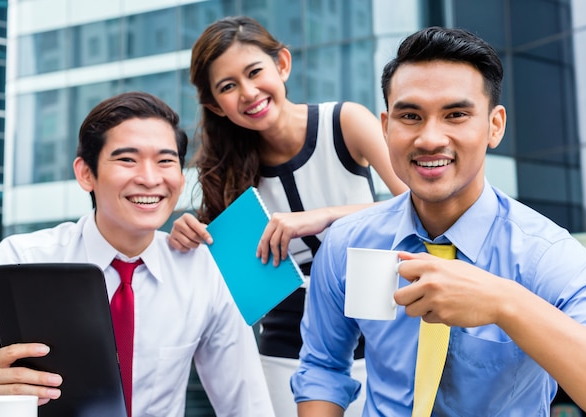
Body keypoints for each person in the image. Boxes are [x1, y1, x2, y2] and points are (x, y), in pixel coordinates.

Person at [291, 25, 586, 416]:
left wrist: (505, 304)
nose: (430, 138)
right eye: (411, 116)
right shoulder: (349, 242)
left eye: (456, 115)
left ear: (494, 126)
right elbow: (323, 367)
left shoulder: (546, 254)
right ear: (386, 127)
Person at [0, 91, 275, 417]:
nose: (150, 178)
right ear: (86, 173)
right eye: (127, 159)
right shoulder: (22, 259)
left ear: (182, 178)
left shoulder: (204, 271)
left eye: (166, 161)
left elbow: (247, 405)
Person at [167, 16, 407, 417]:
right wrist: (189, 240)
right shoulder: (225, 172)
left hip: (377, 335)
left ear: (282, 64)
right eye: (228, 87)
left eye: (254, 72)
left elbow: (419, 204)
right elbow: (234, 287)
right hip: (284, 350)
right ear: (215, 105)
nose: (247, 92)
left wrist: (325, 217)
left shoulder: (344, 122)